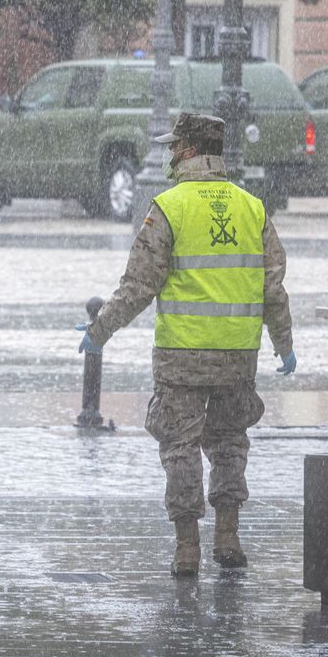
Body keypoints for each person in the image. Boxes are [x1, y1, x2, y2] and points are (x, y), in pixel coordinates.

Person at [79, 112, 295, 576]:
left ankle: (187, 548)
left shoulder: (170, 208)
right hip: (238, 355)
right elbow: (272, 288)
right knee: (230, 442)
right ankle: (228, 536)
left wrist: (99, 331)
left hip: (182, 357)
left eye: (175, 146)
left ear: (192, 150)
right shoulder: (252, 208)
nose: (169, 153)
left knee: (180, 444)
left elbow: (138, 286)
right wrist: (284, 343)